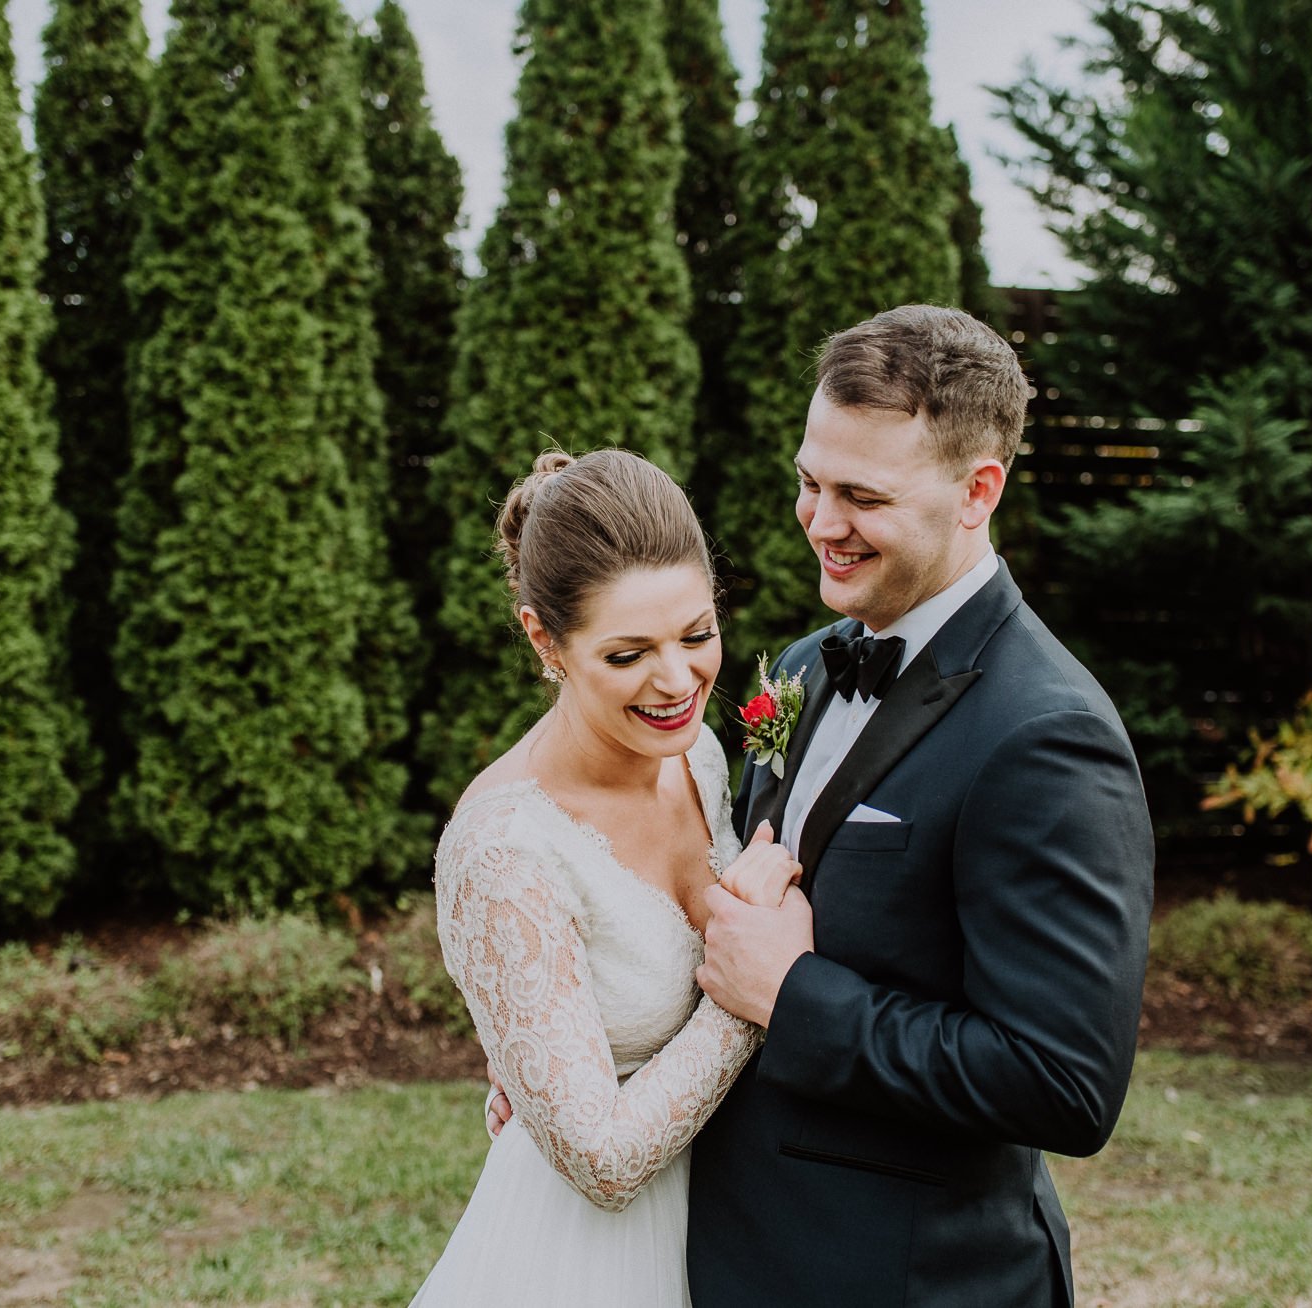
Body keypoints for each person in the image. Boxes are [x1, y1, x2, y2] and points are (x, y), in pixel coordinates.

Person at [682, 304, 1156, 1306]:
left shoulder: (1046, 735)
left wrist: (795, 993)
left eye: (862, 495)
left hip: (909, 1279)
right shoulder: (805, 667)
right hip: (740, 1250)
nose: (818, 521)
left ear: (977, 490)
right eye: (809, 481)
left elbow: (1062, 1084)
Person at [410, 448, 802, 1308]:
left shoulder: (695, 754)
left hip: (736, 1228)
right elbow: (602, 1161)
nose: (678, 681)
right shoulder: (505, 850)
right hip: (590, 1263)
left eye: (697, 635)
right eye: (628, 655)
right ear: (542, 637)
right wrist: (757, 988)